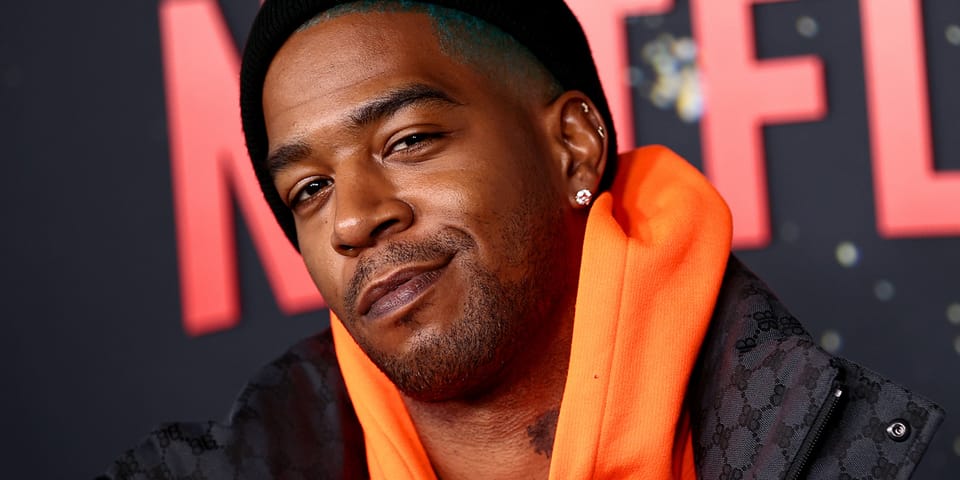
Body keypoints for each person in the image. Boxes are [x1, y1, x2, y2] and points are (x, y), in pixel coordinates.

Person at [103, 1, 943, 478]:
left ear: (572, 145)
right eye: (309, 190)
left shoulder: (863, 456)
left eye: (408, 141)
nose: (353, 221)